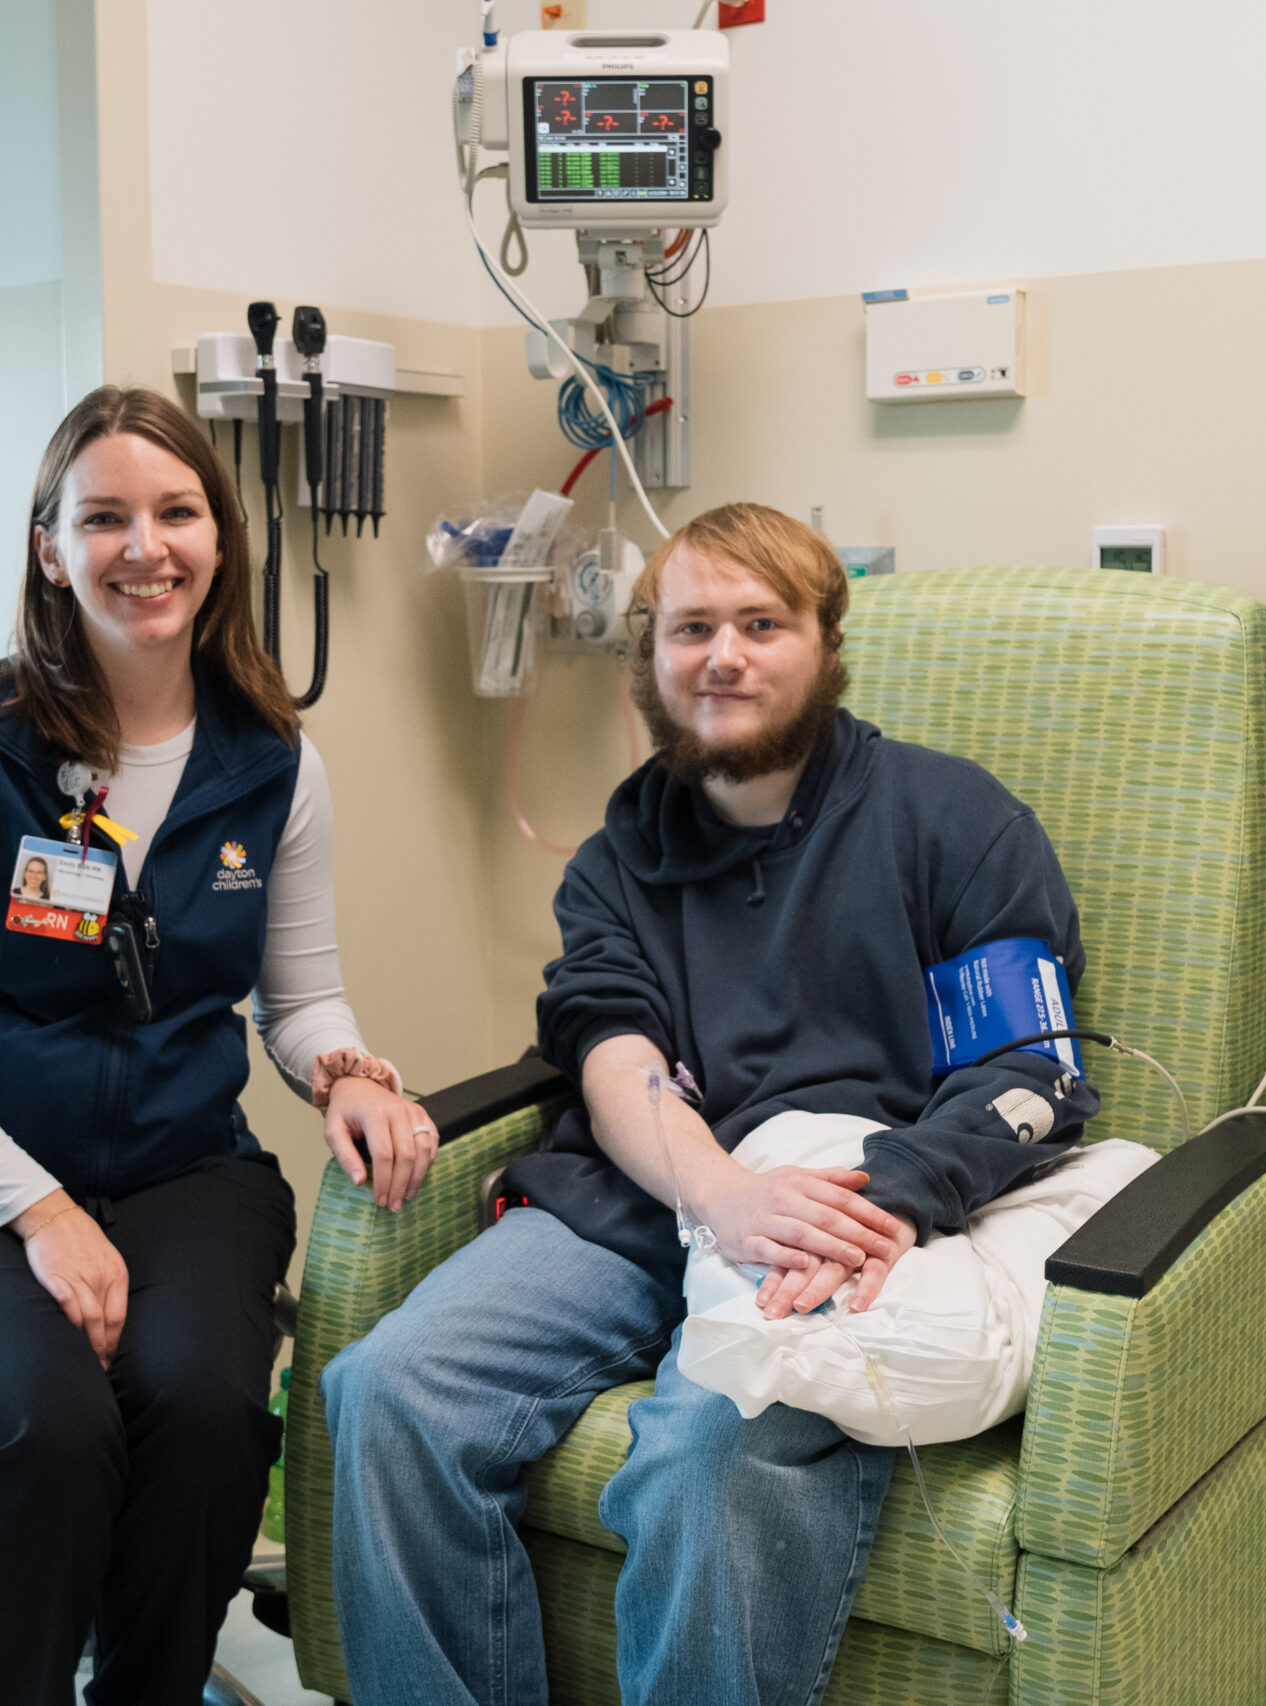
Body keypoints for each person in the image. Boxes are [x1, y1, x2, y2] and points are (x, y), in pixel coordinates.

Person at [324, 503, 1102, 1706]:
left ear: (825, 645)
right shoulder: (617, 860)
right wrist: (721, 1193)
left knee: (703, 1455)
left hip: (844, 1208)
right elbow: (612, 1049)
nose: (723, 655)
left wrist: (883, 1196)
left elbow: (1030, 1072)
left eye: (760, 623)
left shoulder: (954, 824)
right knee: (386, 1388)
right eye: (691, 627)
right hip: (646, 1201)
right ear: (651, 659)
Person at [0, 385, 434, 1706]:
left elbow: (299, 995)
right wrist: (35, 1207)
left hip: (180, 1171)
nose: (143, 547)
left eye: (176, 511)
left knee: (209, 1413)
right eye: (103, 517)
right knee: (42, 1421)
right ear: (50, 547)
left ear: (220, 539)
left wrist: (345, 1070)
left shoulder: (272, 763)